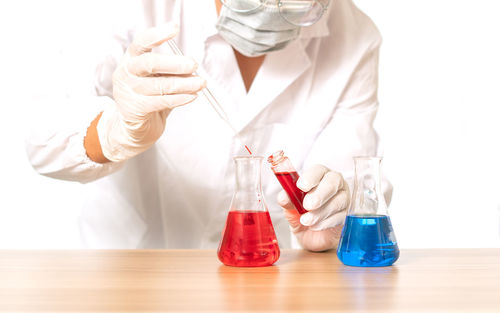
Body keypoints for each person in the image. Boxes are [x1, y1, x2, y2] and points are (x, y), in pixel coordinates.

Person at [26, 0, 390, 250]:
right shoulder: (135, 8)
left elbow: (349, 176)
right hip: (128, 272)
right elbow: (44, 141)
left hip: (259, 283)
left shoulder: (355, 36)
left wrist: (333, 215)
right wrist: (116, 132)